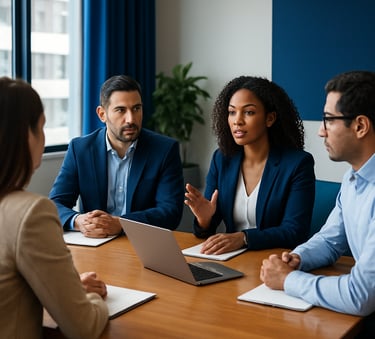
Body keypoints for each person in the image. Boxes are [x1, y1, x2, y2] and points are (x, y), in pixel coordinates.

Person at [260, 71, 375, 332]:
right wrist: (299, 258)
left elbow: (360, 295)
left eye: (328, 120)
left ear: (360, 126)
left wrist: (289, 280)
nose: (321, 131)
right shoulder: (353, 178)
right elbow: (330, 240)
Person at [0, 77, 108, 338]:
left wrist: (68, 289)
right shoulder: (30, 214)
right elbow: (84, 327)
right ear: (27, 134)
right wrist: (89, 299)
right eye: (42, 127)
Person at [185, 76, 315, 254]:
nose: (237, 120)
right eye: (232, 112)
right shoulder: (222, 159)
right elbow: (206, 231)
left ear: (270, 119)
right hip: (231, 260)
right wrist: (205, 219)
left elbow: (295, 231)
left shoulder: (298, 164)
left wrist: (244, 238)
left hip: (275, 262)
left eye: (249, 112)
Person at [49, 75, 184, 238]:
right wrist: (78, 221)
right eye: (121, 110)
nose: (131, 119)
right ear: (102, 114)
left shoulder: (164, 149)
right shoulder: (80, 149)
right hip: (94, 242)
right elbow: (55, 204)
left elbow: (170, 212)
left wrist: (121, 223)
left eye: (136, 108)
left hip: (142, 242)